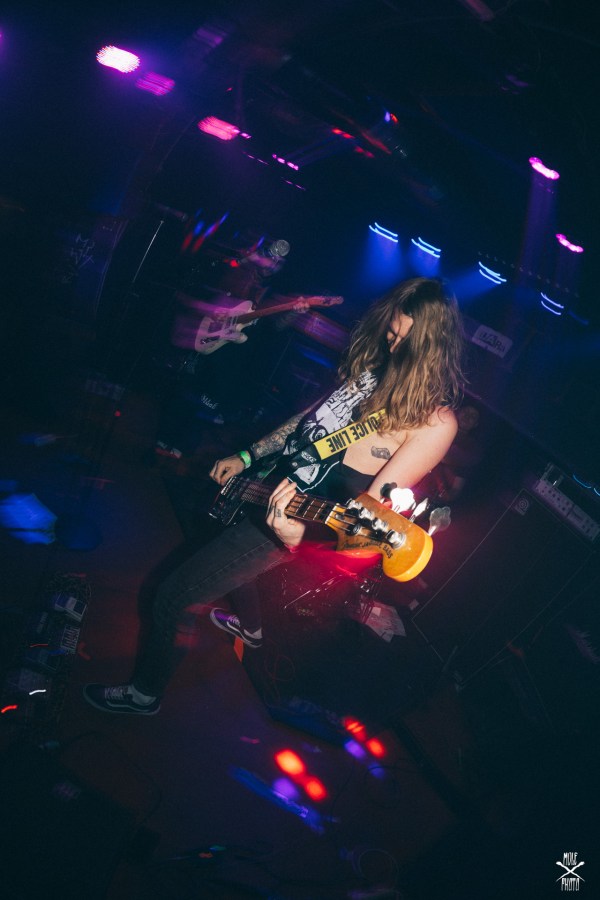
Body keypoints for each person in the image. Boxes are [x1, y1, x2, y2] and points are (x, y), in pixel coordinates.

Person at [84, 277, 464, 715]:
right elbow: (309, 419)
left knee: (173, 595)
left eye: (403, 342)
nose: (392, 346)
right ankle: (252, 628)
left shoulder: (434, 423)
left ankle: (145, 693)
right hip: (271, 480)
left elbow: (367, 524)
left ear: (432, 349)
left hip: (299, 519)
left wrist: (296, 536)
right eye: (391, 334)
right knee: (222, 554)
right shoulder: (375, 370)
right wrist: (249, 455)